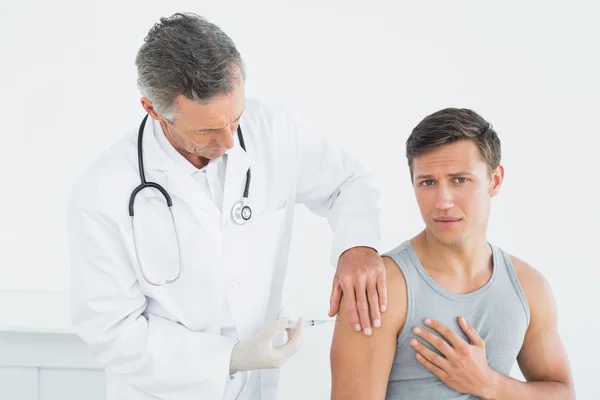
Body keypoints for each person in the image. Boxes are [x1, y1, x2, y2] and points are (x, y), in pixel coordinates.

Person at [67, 12, 387, 400]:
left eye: (235, 118)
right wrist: (230, 358)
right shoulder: (103, 192)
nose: (230, 142)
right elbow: (112, 331)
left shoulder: (273, 131)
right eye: (206, 131)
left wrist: (358, 247)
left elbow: (348, 182)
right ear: (153, 109)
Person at [330, 108, 575, 399]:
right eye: (428, 182)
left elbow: (563, 393)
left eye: (459, 180)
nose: (443, 201)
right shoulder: (380, 289)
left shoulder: (528, 287)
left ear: (494, 181)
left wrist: (488, 384)